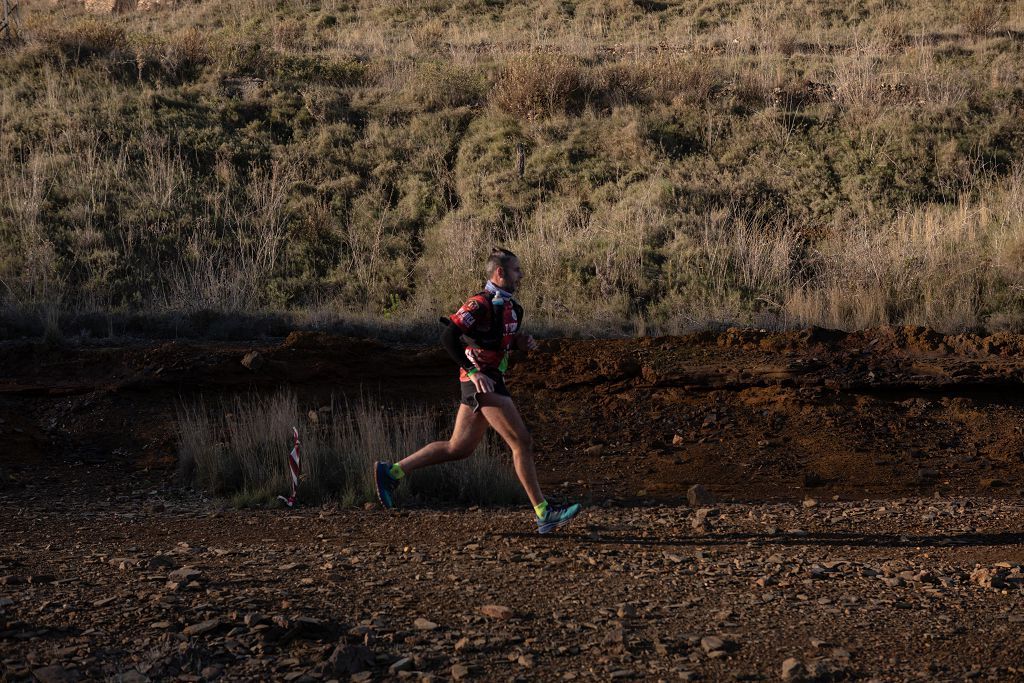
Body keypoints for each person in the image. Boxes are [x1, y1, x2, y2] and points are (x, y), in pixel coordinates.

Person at [373, 248, 582, 533]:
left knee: (458, 448)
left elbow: (496, 342)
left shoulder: (513, 308)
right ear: (500, 273)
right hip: (482, 382)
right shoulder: (478, 304)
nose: (521, 275)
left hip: (492, 379)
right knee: (522, 442)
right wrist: (473, 372)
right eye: (516, 270)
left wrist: (520, 343)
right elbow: (448, 337)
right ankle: (544, 513)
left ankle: (392, 472)